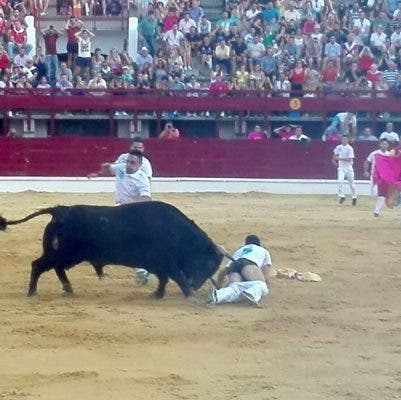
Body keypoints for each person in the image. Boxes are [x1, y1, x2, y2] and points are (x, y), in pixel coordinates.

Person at [88, 149, 152, 285]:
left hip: (133, 214)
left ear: (139, 165)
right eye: (128, 161)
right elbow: (109, 169)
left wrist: (128, 204)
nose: (128, 165)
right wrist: (99, 173)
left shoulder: (142, 179)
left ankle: (141, 269)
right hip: (118, 210)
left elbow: (146, 199)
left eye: (132, 162)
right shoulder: (121, 168)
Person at [207, 234, 272, 308]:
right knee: (262, 285)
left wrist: (219, 286)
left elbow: (224, 272)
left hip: (234, 265)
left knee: (235, 287)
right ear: (259, 244)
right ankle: (251, 293)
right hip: (249, 264)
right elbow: (266, 275)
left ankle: (218, 295)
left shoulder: (239, 251)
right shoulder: (263, 250)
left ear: (246, 243)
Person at [364, 139, 390, 217]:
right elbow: (367, 161)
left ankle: (376, 211)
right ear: (380, 145)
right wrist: (366, 171)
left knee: (382, 195)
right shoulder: (375, 153)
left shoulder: (389, 155)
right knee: (374, 194)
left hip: (385, 178)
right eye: (382, 144)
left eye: (385, 144)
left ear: (388, 145)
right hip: (375, 177)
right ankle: (376, 208)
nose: (384, 145)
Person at [332, 135, 357, 205]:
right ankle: (342, 196)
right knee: (339, 181)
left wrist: (339, 159)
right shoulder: (338, 147)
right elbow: (334, 155)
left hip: (349, 168)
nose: (344, 140)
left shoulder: (350, 148)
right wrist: (333, 160)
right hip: (341, 167)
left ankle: (354, 197)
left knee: (352, 184)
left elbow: (350, 159)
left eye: (345, 139)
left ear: (347, 140)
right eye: (343, 139)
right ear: (341, 140)